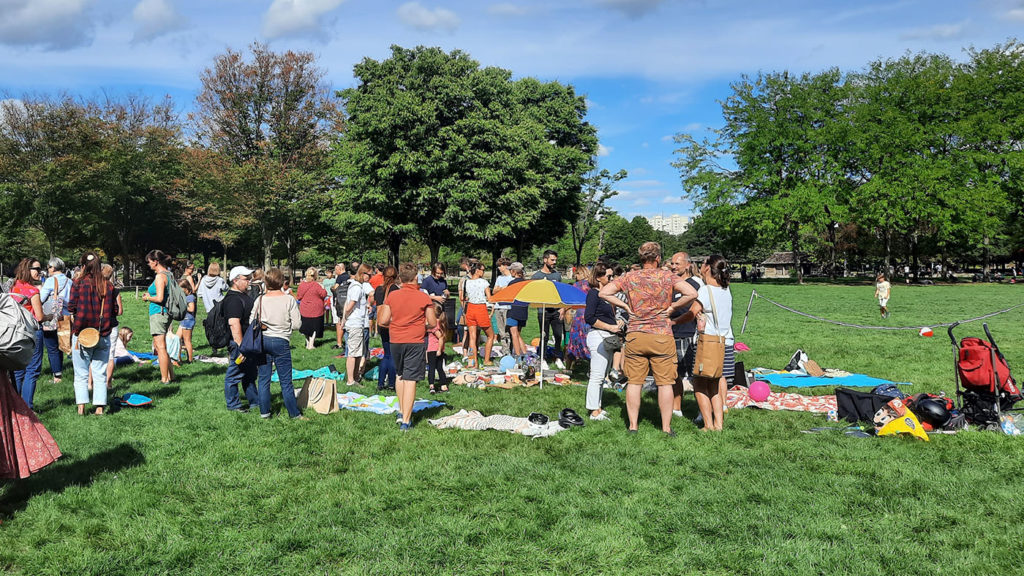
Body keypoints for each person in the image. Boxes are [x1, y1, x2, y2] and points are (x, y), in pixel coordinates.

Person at [600, 242, 698, 435]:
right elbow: (692, 293)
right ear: (658, 258)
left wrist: (627, 307)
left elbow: (604, 292)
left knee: (634, 382)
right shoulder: (667, 276)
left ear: (641, 258)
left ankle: (633, 426)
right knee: (665, 383)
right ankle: (666, 427)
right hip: (661, 334)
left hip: (636, 334)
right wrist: (672, 308)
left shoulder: (629, 277)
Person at [677, 254, 734, 432]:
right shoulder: (727, 290)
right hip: (726, 342)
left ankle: (708, 425)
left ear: (708, 268)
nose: (700, 266)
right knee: (715, 384)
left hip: (707, 343)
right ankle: (719, 424)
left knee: (700, 384)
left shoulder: (705, 291)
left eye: (702, 263)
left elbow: (691, 313)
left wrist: (673, 321)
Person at [377, 262, 436, 430]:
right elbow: (432, 323)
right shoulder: (423, 297)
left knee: (400, 375)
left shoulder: (392, 296)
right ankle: (406, 421)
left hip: (396, 340)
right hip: (415, 341)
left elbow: (382, 321)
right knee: (411, 380)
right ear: (416, 278)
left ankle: (402, 411)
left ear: (400, 278)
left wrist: (398, 324)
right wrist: (419, 326)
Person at [65, 252, 117, 416]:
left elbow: (71, 306)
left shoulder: (78, 283)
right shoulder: (108, 286)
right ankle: (99, 407)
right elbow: (115, 310)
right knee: (100, 372)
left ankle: (81, 408)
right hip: (103, 334)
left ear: (83, 266)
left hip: (83, 334)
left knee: (80, 374)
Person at [251, 268, 305, 420]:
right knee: (286, 381)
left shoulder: (260, 299)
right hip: (281, 340)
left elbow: (251, 321)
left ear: (266, 282)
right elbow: (297, 324)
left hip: (263, 341)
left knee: (263, 379)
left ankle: (264, 413)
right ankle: (294, 414)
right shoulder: (288, 300)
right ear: (282, 281)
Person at [584, 262, 622, 421]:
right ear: (599, 277)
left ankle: (598, 407)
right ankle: (593, 410)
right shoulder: (594, 294)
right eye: (608, 276)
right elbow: (589, 317)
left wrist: (617, 324)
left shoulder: (604, 294)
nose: (611, 278)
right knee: (597, 376)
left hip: (606, 336)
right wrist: (610, 327)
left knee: (602, 375)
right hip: (598, 336)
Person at [669, 252, 702, 419]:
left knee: (695, 376)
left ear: (688, 265)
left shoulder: (695, 284)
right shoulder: (672, 283)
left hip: (690, 334)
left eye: (677, 264)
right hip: (672, 334)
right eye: (672, 264)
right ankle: (676, 409)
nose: (673, 267)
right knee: (675, 374)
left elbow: (696, 310)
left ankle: (701, 410)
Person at [222, 266, 259, 412]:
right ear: (235, 280)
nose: (250, 281)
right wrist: (241, 346)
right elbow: (233, 323)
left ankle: (255, 402)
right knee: (234, 374)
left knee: (249, 374)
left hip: (247, 343)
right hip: (240, 344)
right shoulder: (233, 299)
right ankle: (233, 405)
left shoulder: (242, 296)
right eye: (246, 279)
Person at [10, 257, 45, 410]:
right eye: (37, 269)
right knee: (32, 370)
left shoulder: (14, 287)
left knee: (18, 371)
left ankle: (16, 407)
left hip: (16, 333)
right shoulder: (33, 291)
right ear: (27, 270)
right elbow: (39, 317)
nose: (40, 271)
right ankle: (27, 407)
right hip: (32, 333)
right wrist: (51, 316)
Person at [140, 249, 175, 384]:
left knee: (160, 347)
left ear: (156, 262)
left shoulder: (160, 276)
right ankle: (171, 375)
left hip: (159, 313)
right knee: (162, 346)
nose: (148, 265)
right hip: (165, 312)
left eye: (149, 262)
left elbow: (160, 298)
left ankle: (164, 379)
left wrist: (148, 297)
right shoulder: (169, 274)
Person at [39, 257, 72, 384]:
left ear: (53, 267)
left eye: (48, 267)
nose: (48, 270)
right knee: (62, 343)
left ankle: (57, 376)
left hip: (52, 316)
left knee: (52, 346)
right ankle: (60, 369)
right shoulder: (69, 281)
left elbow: (41, 299)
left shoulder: (50, 281)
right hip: (66, 316)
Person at [342, 264, 373, 386]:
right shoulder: (357, 288)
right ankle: (350, 380)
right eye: (368, 274)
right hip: (355, 323)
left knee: (358, 352)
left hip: (356, 323)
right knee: (353, 353)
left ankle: (355, 377)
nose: (370, 277)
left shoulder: (357, 286)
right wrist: (345, 317)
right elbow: (350, 305)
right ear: (363, 273)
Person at [531, 249, 564, 361]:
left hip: (556, 310)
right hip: (543, 311)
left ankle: (557, 357)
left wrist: (562, 308)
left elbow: (561, 293)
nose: (554, 262)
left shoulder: (557, 275)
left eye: (555, 260)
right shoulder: (536, 276)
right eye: (552, 260)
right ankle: (543, 358)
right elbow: (533, 294)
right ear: (545, 260)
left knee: (558, 335)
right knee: (544, 335)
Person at [463, 262, 495, 368]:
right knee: (491, 335)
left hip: (470, 309)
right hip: (480, 309)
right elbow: (490, 299)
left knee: (472, 337)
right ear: (477, 270)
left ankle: (473, 362)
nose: (484, 272)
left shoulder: (466, 282)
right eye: (483, 270)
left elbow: (464, 297)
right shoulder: (484, 282)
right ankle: (486, 360)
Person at [374, 265, 400, 391]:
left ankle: (380, 382)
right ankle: (391, 383)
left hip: (381, 324)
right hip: (392, 324)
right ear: (396, 276)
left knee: (386, 354)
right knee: (393, 355)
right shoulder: (395, 290)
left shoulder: (378, 290)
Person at [100, 263, 125, 390]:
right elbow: (120, 311)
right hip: (112, 324)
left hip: (98, 325)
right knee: (111, 354)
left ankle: (90, 383)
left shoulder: (94, 288)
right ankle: (108, 383)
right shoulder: (114, 290)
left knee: (95, 354)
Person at [565, 265, 592, 370]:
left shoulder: (576, 286)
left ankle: (568, 368)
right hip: (590, 315)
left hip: (579, 315)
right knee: (588, 340)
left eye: (577, 274)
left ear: (581, 273)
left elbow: (570, 300)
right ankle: (591, 367)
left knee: (574, 340)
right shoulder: (593, 286)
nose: (576, 276)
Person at [296, 267, 328, 350]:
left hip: (305, 309)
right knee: (315, 327)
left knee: (306, 327)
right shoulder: (317, 285)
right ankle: (311, 344)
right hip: (316, 310)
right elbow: (323, 294)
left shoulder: (301, 285)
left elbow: (298, 297)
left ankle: (307, 344)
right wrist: (323, 288)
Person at [504, 262, 529, 357]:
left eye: (511, 270)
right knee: (518, 334)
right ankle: (525, 354)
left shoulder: (512, 283)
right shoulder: (526, 283)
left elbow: (508, 296)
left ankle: (518, 356)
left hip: (513, 310)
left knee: (514, 334)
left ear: (514, 271)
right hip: (524, 311)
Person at [491, 257, 513, 351]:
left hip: (508, 306)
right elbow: (494, 291)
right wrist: (502, 288)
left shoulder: (512, 278)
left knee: (508, 330)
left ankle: (509, 348)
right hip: (498, 306)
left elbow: (510, 291)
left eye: (500, 266)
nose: (499, 268)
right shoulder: (499, 278)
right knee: (501, 331)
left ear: (506, 266)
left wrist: (501, 289)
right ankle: (504, 349)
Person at [427, 302, 449, 394]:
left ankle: (431, 386)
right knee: (439, 368)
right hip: (439, 349)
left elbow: (440, 337)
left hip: (433, 349)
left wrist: (439, 349)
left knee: (431, 368)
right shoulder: (441, 322)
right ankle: (443, 386)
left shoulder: (433, 324)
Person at [176, 279, 197, 363]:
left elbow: (191, 309)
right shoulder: (186, 297)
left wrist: (182, 306)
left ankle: (190, 359)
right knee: (177, 339)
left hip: (188, 320)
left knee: (187, 341)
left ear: (186, 288)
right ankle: (178, 358)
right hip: (184, 320)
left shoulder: (190, 297)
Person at [332, 263, 350, 350]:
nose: (335, 272)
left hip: (339, 302)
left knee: (338, 322)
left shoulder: (340, 277)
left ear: (340, 269)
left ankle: (339, 343)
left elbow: (335, 288)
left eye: (336, 270)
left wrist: (332, 288)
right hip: (347, 302)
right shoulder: (349, 277)